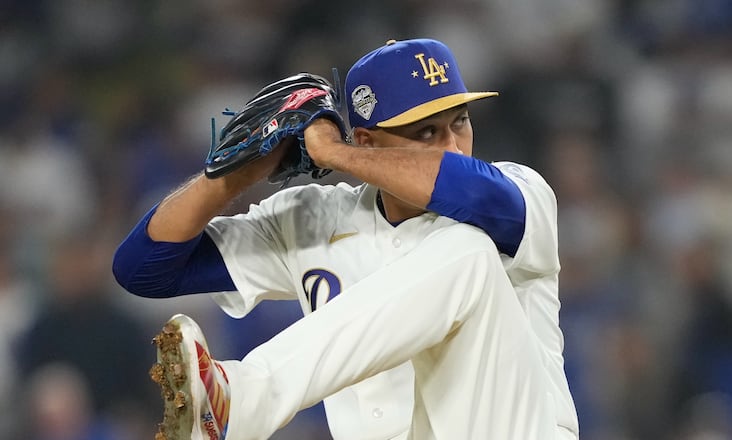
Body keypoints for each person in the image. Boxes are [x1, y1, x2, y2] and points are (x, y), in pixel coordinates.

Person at [113, 38, 579, 440]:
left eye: (459, 121)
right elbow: (144, 268)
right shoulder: (316, 219)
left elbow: (465, 185)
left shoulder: (521, 193)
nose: (454, 145)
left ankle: (242, 399)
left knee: (469, 251)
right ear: (368, 141)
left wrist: (334, 152)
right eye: (427, 131)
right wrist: (235, 176)